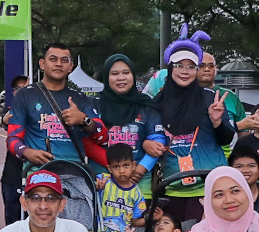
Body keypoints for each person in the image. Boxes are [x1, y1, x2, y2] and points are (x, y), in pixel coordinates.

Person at [152, 30, 237, 206]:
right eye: (179, 65)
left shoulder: (210, 97)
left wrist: (217, 122)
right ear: (170, 68)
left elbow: (227, 139)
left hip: (211, 187)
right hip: (171, 187)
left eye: (191, 67)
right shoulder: (157, 103)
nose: (185, 71)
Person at [7, 43, 106, 171]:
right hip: (39, 172)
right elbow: (12, 138)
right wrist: (27, 152)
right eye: (53, 59)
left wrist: (84, 120)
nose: (59, 64)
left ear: (70, 66)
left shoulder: (80, 97)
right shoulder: (25, 95)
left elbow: (102, 137)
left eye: (64, 60)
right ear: (42, 64)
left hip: (75, 172)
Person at [92, 55, 166, 167]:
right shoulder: (95, 104)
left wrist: (142, 168)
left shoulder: (146, 105)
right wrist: (117, 168)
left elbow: (157, 140)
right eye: (115, 74)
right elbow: (87, 142)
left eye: (126, 73)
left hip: (139, 173)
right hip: (102, 173)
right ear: (106, 77)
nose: (121, 78)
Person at [95, 143, 151, 232]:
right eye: (116, 167)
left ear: (133, 165)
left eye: (126, 165)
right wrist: (98, 186)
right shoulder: (104, 181)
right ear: (109, 168)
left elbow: (135, 221)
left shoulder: (137, 194)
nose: (121, 171)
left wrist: (150, 219)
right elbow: (93, 186)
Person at [0, 74, 30, 228]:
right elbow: (6, 119)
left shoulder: (42, 109)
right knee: (13, 215)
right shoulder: (12, 110)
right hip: (14, 171)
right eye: (18, 88)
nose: (22, 91)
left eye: (26, 88)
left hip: (36, 169)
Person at [197, 52, 248, 124]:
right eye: (201, 65)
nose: (207, 69)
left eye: (211, 66)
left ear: (216, 69)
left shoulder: (231, 96)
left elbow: (244, 127)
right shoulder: (186, 94)